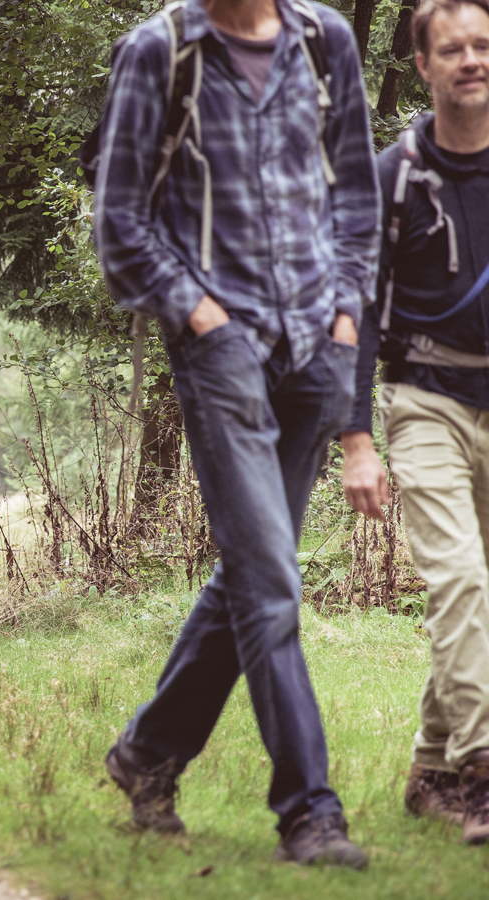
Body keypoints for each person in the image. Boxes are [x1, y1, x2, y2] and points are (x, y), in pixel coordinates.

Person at [92, 0, 378, 868]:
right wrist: (204, 318)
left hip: (315, 350)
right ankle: (310, 810)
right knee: (272, 583)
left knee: (255, 573)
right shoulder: (159, 53)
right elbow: (120, 224)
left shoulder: (325, 42)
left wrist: (343, 316)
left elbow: (357, 199)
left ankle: (146, 754)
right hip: (221, 354)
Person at [341, 0, 489, 846]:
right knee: (460, 581)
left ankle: (432, 766)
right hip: (424, 400)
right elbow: (355, 311)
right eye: (453, 49)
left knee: (482, 595)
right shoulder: (389, 177)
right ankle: (481, 769)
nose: (471, 60)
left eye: (483, 46)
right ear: (424, 66)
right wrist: (356, 438)